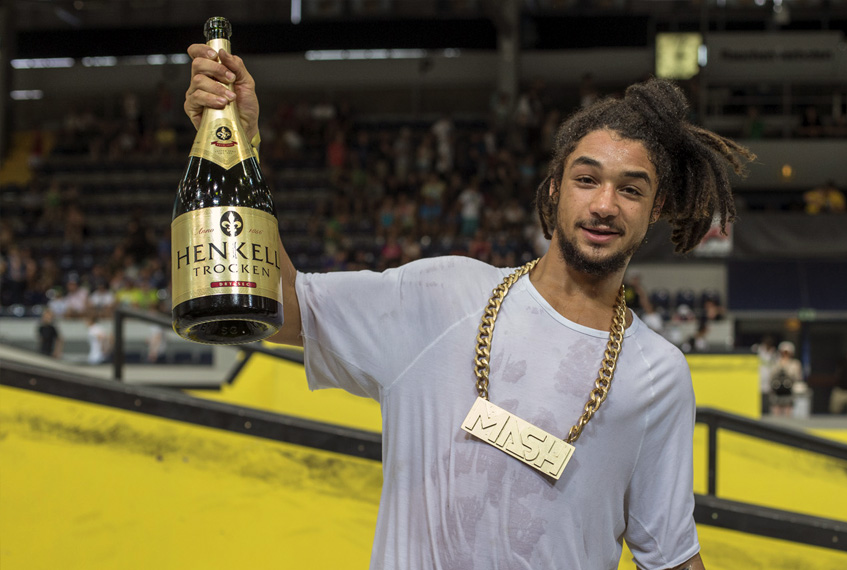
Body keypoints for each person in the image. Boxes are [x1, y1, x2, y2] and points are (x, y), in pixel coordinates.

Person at [185, 43, 754, 569]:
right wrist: (241, 147)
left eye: (631, 189)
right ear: (555, 186)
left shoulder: (657, 374)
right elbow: (281, 305)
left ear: (655, 210)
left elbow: (673, 557)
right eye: (587, 179)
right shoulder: (442, 295)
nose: (605, 204)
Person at [769, 341, 803, 417]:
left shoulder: (795, 364)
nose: (785, 354)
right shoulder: (775, 363)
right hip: (777, 390)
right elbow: (771, 375)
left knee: (788, 409)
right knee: (776, 409)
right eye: (783, 352)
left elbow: (797, 377)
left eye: (787, 352)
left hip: (789, 391)